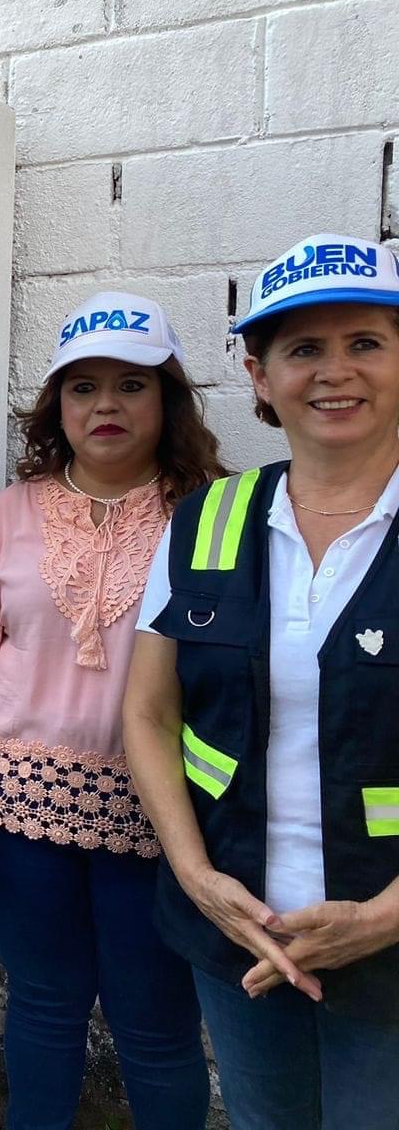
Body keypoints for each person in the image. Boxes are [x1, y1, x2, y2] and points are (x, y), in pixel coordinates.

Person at [0, 292, 219, 1129]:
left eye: (132, 385)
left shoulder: (212, 516)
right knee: (45, 1010)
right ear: (58, 405)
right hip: (20, 808)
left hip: (164, 818)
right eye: (83, 388)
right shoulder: (9, 519)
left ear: (168, 400)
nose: (107, 407)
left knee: (156, 1027)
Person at [126, 234, 399, 1129]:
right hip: (239, 931)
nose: (335, 372)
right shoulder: (207, 518)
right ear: (258, 373)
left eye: (365, 342)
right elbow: (149, 713)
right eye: (303, 349)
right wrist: (197, 875)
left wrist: (385, 918)